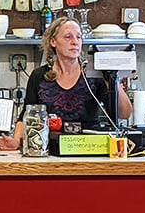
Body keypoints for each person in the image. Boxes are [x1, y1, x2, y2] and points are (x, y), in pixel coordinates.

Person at [7, 16, 133, 148]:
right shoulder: (39, 76)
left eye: (78, 37)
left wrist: (111, 76)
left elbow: (124, 114)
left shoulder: (95, 75)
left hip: (90, 149)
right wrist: (15, 142)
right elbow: (26, 115)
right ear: (53, 42)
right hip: (50, 149)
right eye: (68, 37)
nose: (75, 42)